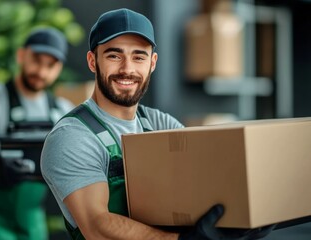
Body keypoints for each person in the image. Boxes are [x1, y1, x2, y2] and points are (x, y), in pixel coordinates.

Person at [40, 8, 275, 240]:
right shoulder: (72, 136)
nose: (127, 69)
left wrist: (240, 218)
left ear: (152, 63)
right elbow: (97, 226)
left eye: (139, 56)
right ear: (93, 61)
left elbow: (202, 182)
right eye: (114, 55)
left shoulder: (158, 122)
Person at [0, 27, 74, 240]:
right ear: (21, 55)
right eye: (36, 60)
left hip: (34, 221)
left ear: (59, 68)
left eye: (51, 65)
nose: (41, 71)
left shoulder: (62, 111)